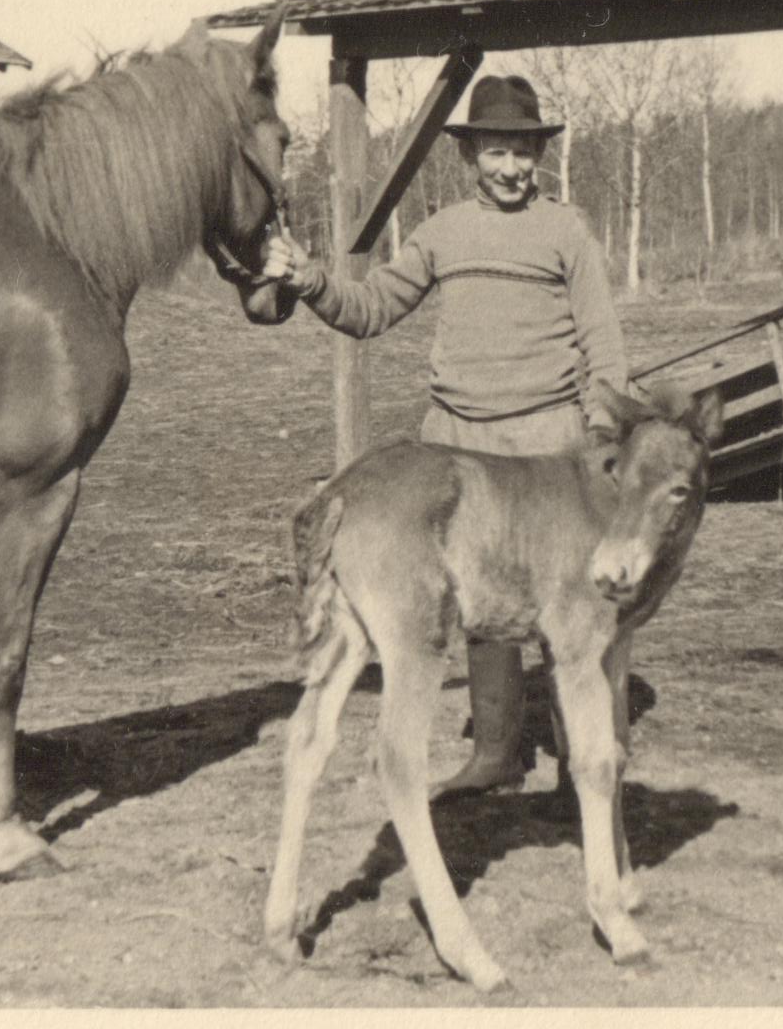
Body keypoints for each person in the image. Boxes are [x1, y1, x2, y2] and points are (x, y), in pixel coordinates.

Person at [262, 73, 628, 795]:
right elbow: (369, 308)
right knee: (476, 605)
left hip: (548, 444)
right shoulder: (443, 233)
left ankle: (586, 760)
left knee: (570, 604)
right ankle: (495, 753)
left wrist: (601, 434)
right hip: (461, 446)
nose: (510, 168)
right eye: (495, 152)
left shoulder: (567, 232)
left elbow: (604, 343)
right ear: (468, 155)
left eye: (522, 152)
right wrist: (310, 280)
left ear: (539, 154)